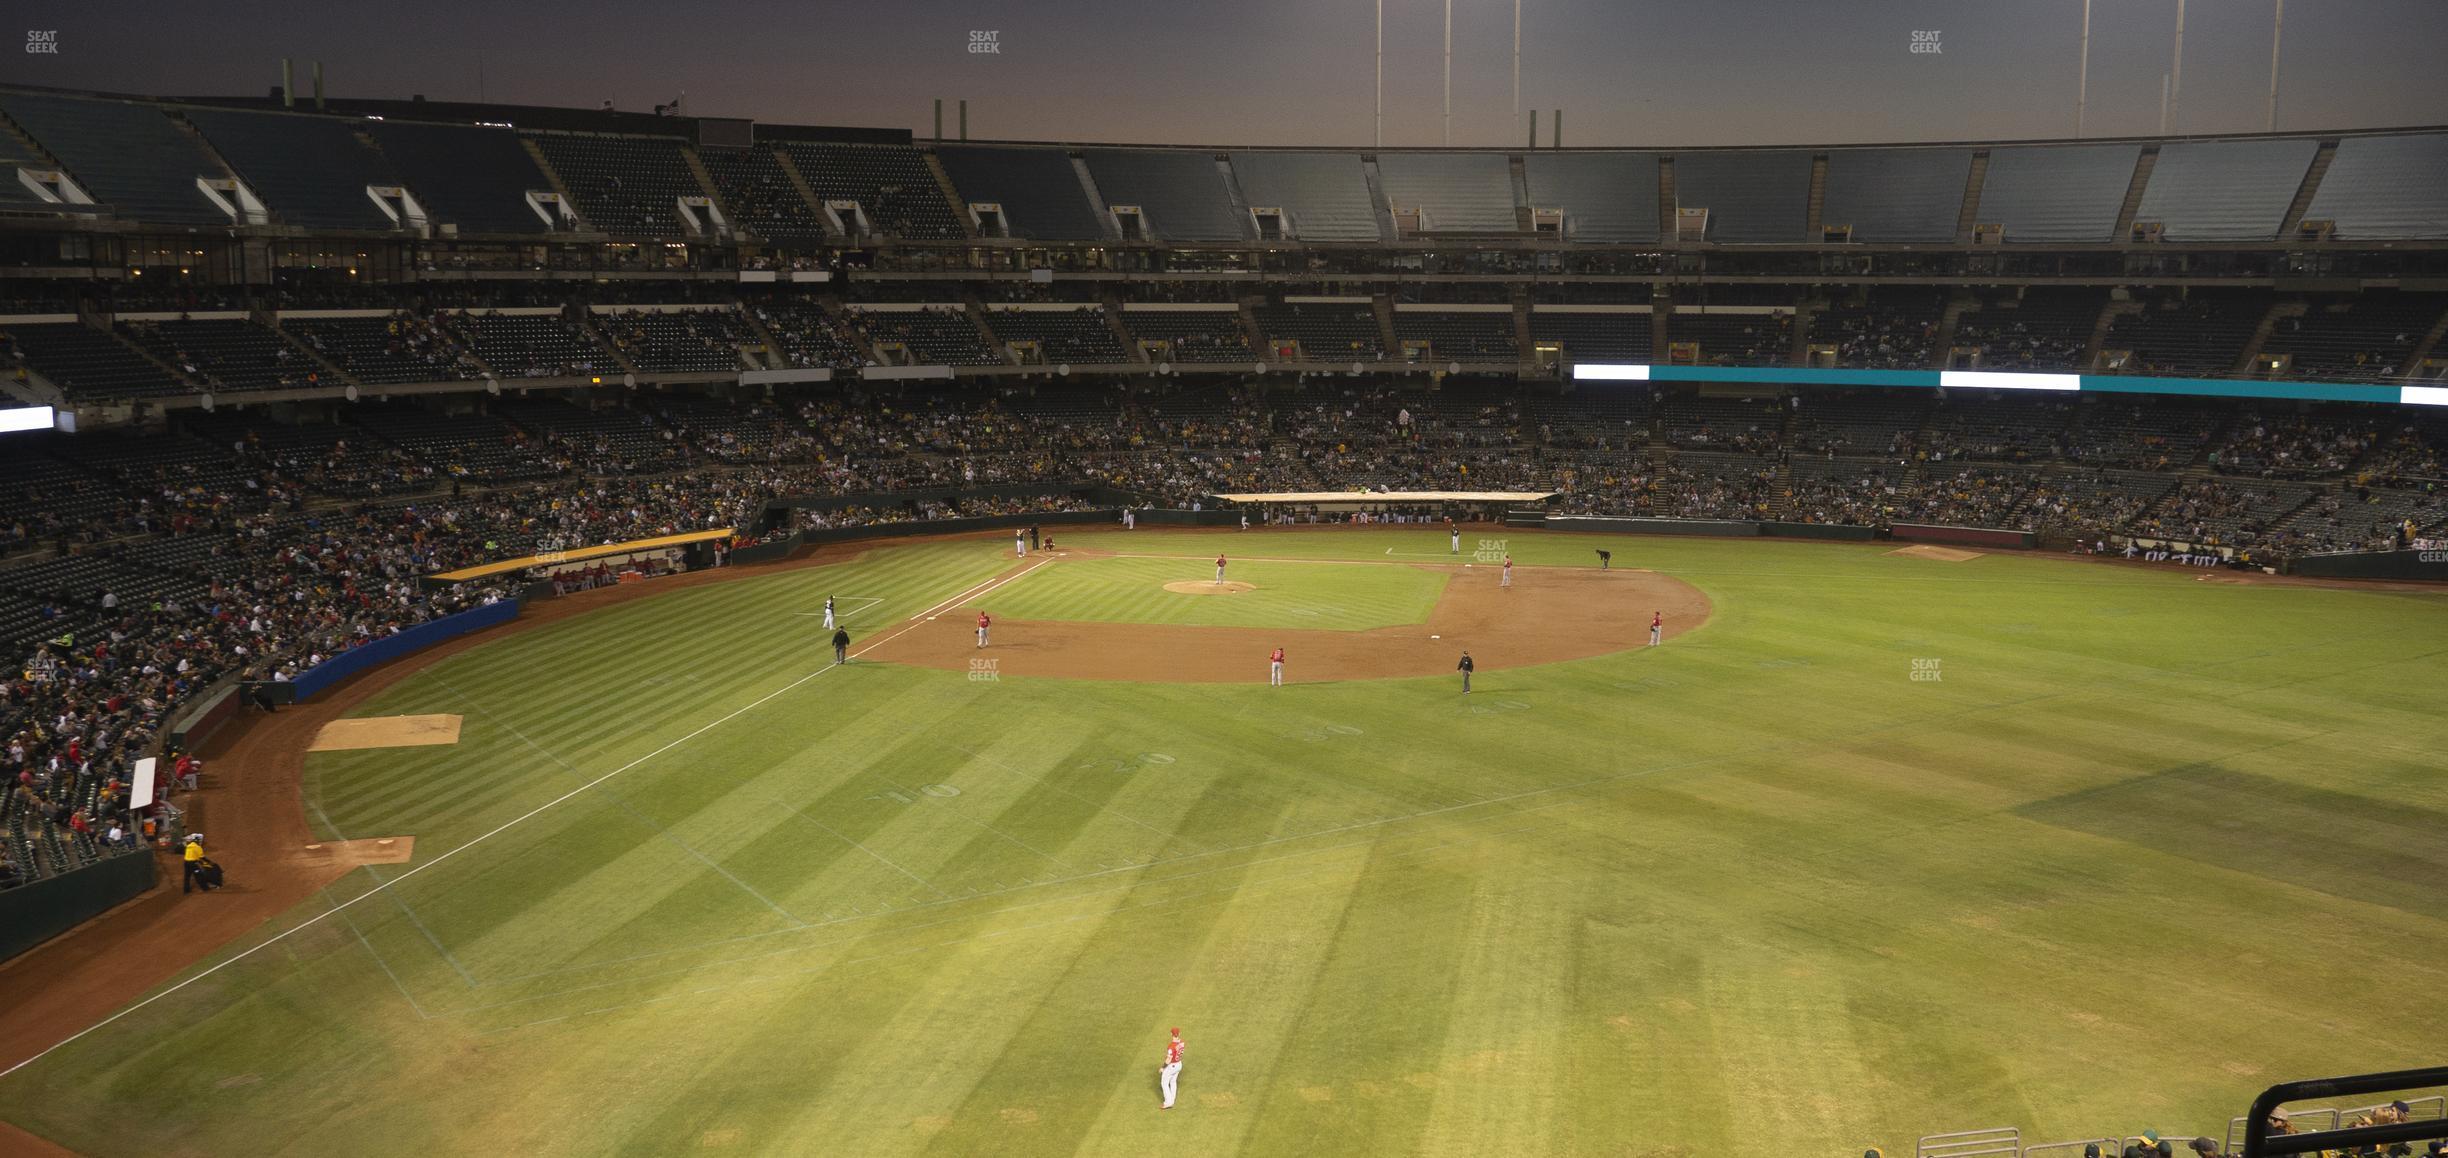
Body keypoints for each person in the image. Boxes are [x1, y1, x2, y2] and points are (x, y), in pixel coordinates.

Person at [1158, 1028, 1184, 1109]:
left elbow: (1169, 1059)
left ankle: (1168, 1102)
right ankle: (1172, 1100)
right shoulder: (1182, 1042)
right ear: (1179, 1034)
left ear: (1171, 1034)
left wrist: (1163, 1068)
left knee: (1164, 1083)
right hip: (1179, 1064)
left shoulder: (1171, 1046)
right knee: (1173, 1081)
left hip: (1172, 1066)